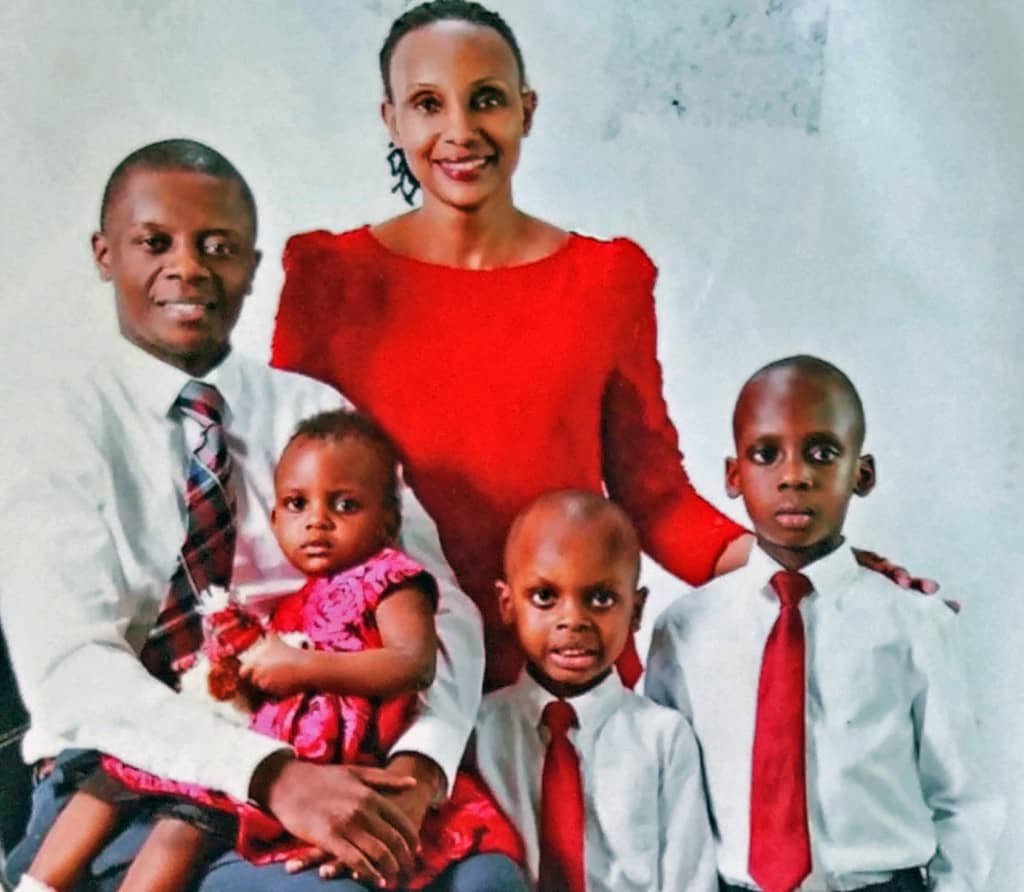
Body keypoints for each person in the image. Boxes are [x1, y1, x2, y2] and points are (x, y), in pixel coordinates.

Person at [270, 0, 929, 692]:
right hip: (388, 683)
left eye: (486, 100)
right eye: (429, 104)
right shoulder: (328, 278)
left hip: (566, 681)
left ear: (526, 109)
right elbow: (279, 499)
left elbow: (656, 498)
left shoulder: (604, 280)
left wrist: (810, 564)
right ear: (393, 120)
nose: (460, 131)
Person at [0, 138, 525, 892]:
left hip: (333, 743)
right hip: (132, 779)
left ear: (252, 263)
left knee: (490, 885)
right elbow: (72, 674)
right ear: (104, 253)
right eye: (155, 243)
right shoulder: (57, 427)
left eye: (218, 246)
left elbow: (438, 607)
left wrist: (420, 769)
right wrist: (271, 775)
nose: (187, 267)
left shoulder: (315, 413)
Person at [15, 409, 523, 891]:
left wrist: (303, 666)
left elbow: (414, 663)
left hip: (340, 754)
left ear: (389, 522)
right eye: (298, 505)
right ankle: (37, 882)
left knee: (192, 817)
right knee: (144, 790)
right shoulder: (290, 607)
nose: (317, 522)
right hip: (266, 750)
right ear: (276, 519)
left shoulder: (389, 578)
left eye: (344, 504)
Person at [644, 356, 1004, 892]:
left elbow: (963, 799)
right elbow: (668, 799)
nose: (795, 475)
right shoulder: (684, 630)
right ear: (733, 475)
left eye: (823, 453)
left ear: (862, 474)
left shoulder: (913, 623)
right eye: (767, 454)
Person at [472, 490, 719, 892]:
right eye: (545, 597)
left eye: (601, 598)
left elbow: (689, 879)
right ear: (507, 604)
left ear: (636, 611)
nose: (573, 620)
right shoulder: (478, 730)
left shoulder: (663, 738)